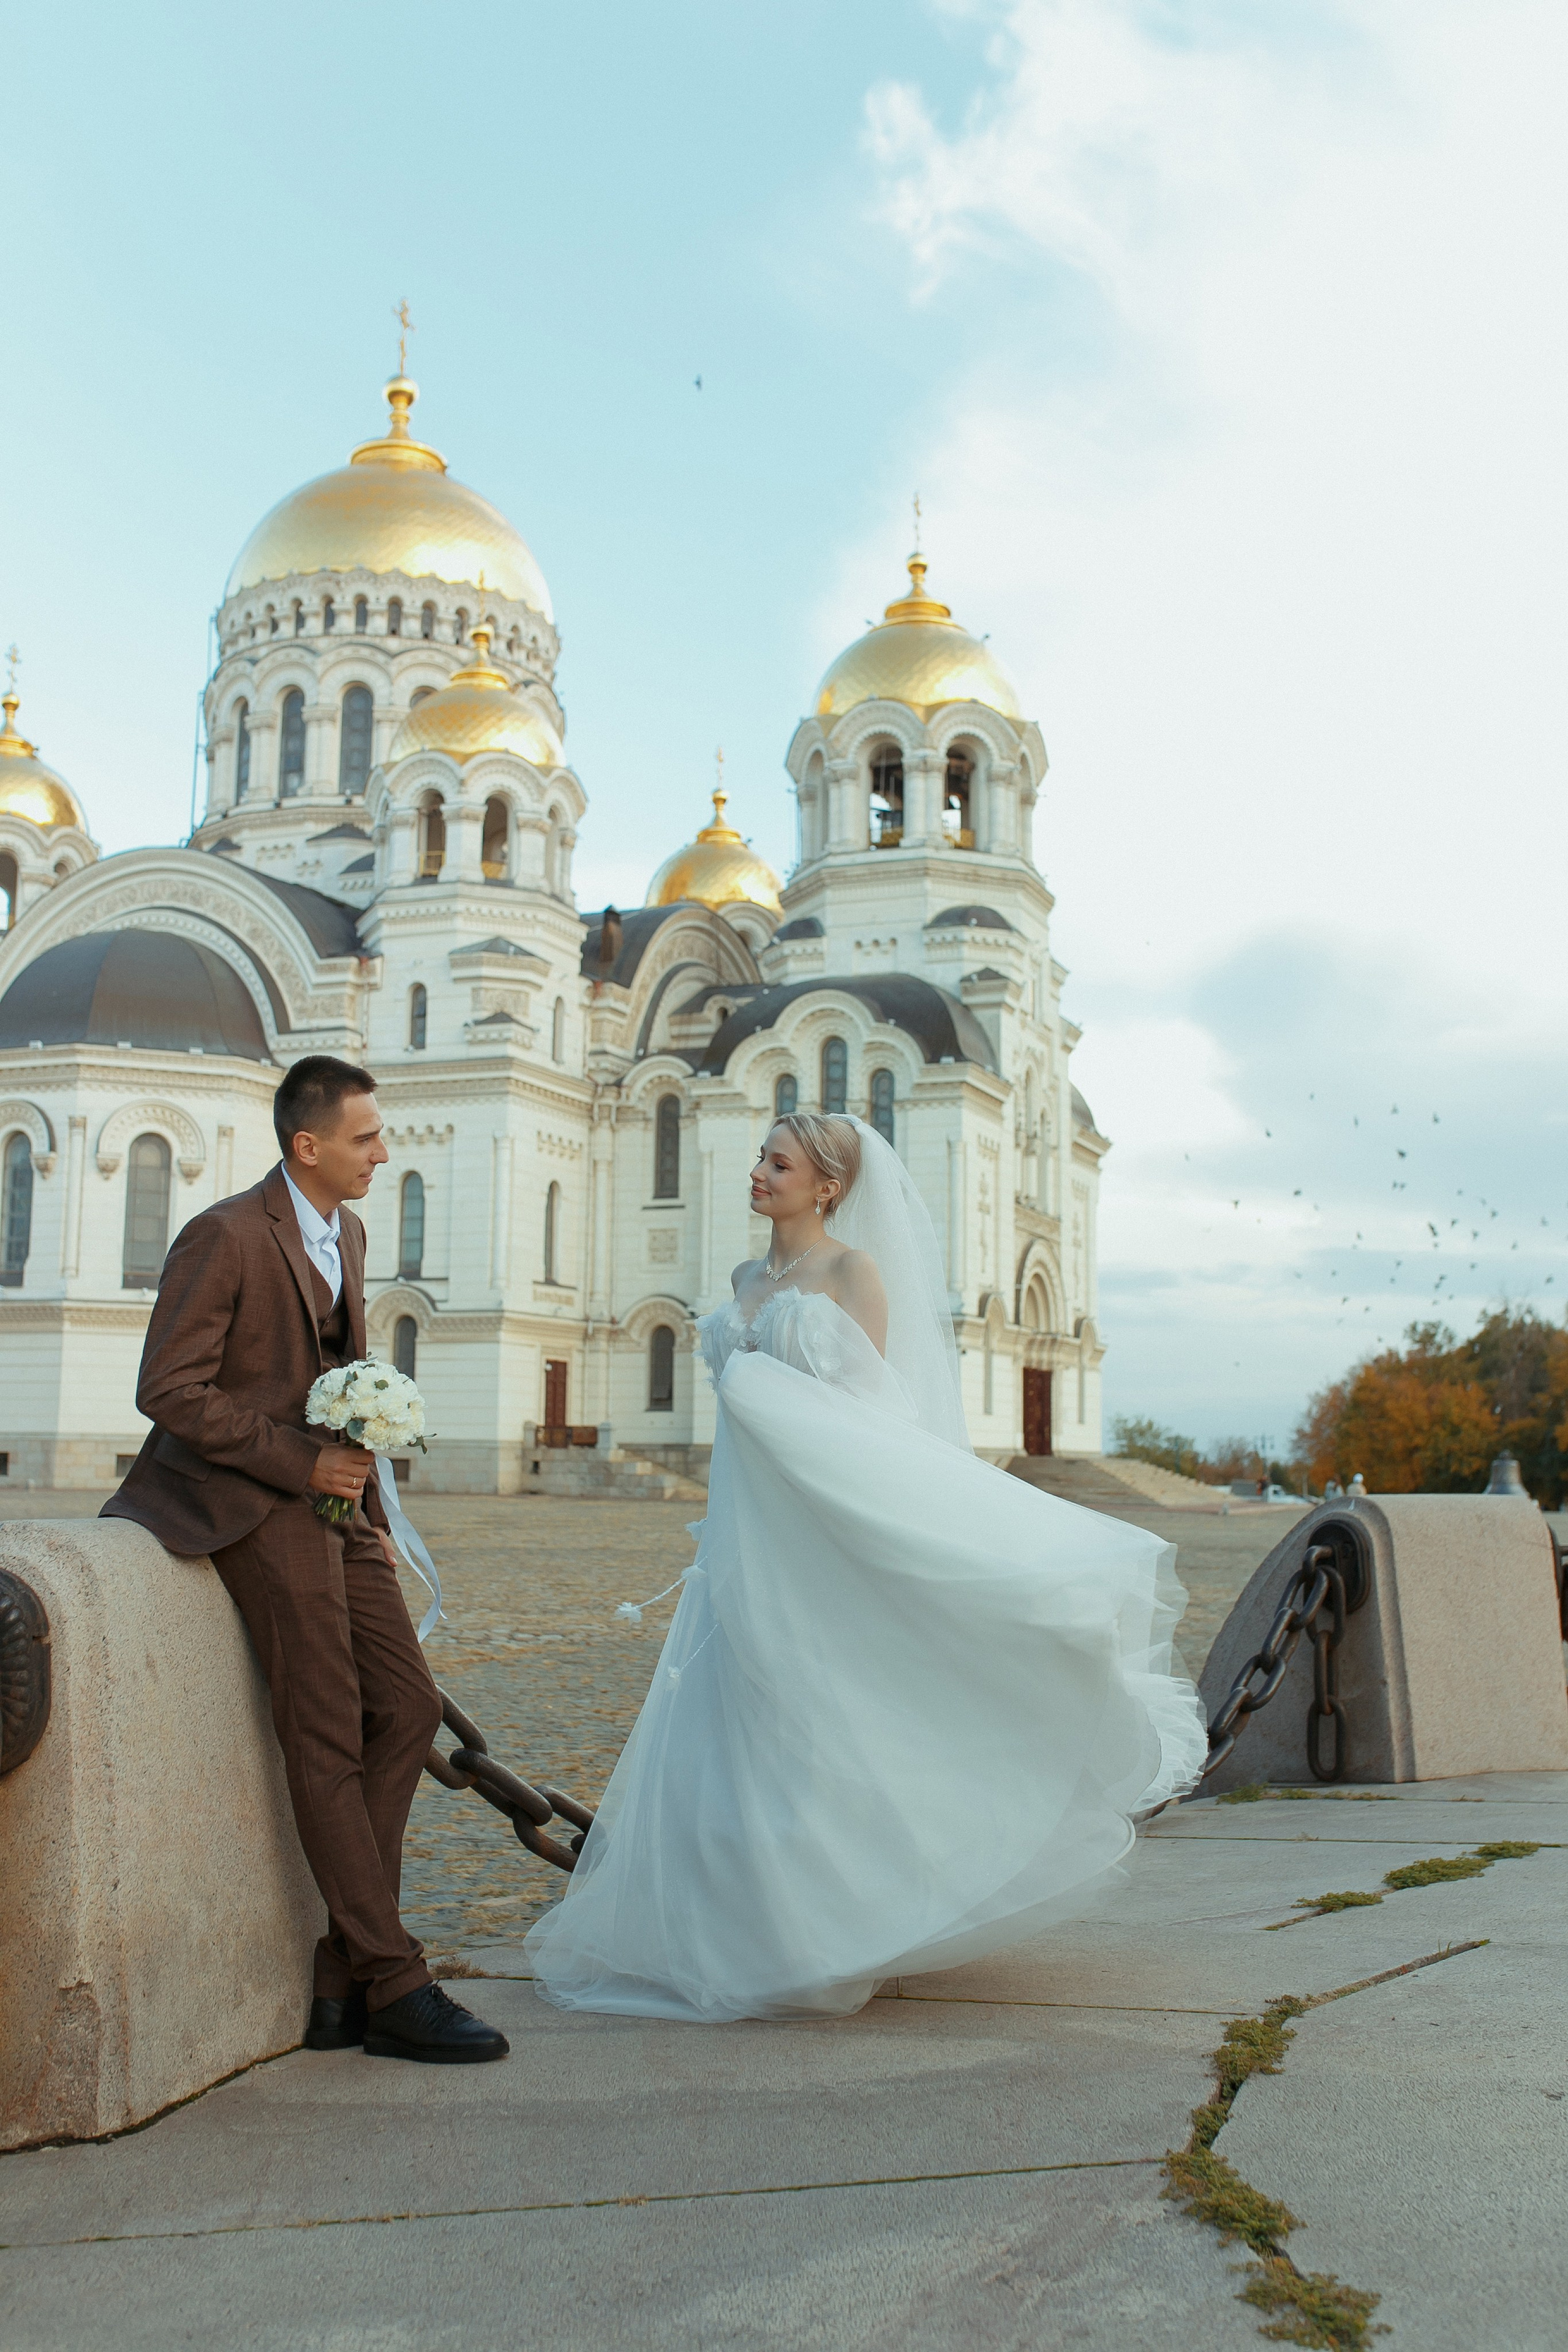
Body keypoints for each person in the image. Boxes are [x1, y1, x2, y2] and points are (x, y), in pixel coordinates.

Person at [526, 1111, 1207, 2024]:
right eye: (762, 1159)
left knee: (823, 1703)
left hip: (822, 1516)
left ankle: (848, 1918)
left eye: (780, 1163)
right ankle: (749, 1926)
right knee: (742, 1709)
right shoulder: (739, 1281)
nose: (760, 1174)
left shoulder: (854, 1274)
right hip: (746, 1525)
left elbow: (874, 1414)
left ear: (829, 1186)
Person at [104, 1055, 508, 2065]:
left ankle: (340, 1975)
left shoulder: (351, 1231)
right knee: (324, 1729)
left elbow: (331, 1365)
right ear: (308, 1146)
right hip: (248, 1504)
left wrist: (353, 1464)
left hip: (340, 1505)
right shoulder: (227, 1235)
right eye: (368, 1138)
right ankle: (395, 1980)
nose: (384, 1151)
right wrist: (299, 1459)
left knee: (409, 1709)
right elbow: (169, 1388)